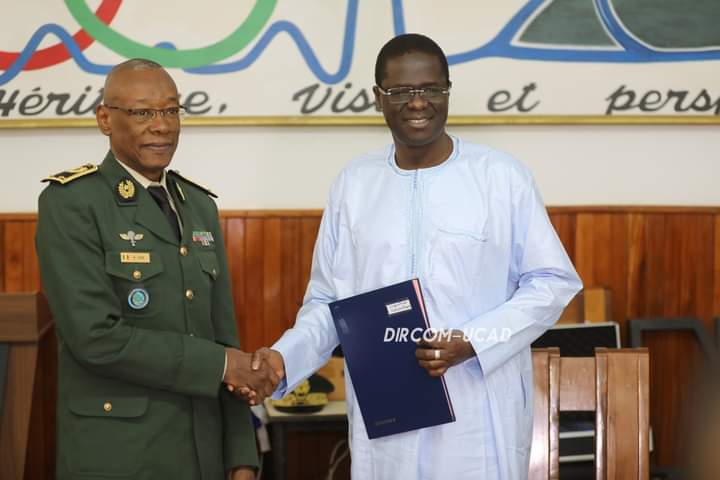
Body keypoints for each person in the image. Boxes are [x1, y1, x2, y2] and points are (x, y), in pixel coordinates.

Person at [252, 34, 582, 479]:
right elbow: (329, 304)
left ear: (447, 91)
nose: (417, 102)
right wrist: (282, 359)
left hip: (477, 414)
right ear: (378, 98)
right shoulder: (355, 185)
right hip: (387, 417)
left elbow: (552, 282)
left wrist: (473, 340)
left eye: (431, 89)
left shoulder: (500, 178)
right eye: (402, 92)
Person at [36, 59, 278, 480]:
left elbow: (224, 336)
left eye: (170, 110)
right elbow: (95, 338)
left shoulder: (198, 205)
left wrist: (241, 455)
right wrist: (221, 363)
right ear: (104, 119)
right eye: (143, 112)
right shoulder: (73, 202)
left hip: (203, 455)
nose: (161, 125)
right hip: (119, 457)